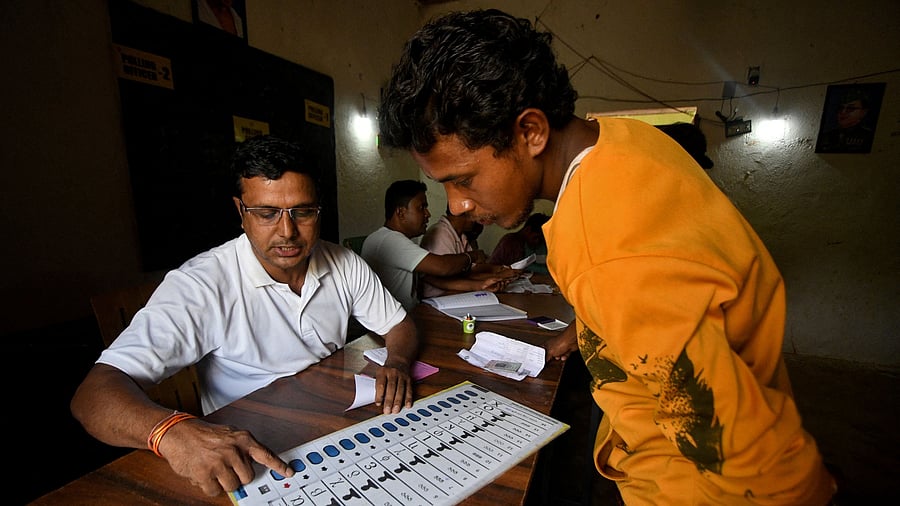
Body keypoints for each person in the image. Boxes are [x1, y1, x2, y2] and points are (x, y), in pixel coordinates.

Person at [377, 9, 836, 504]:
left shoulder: (607, 246)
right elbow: (667, 293)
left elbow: (743, 454)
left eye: (463, 178)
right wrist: (593, 325)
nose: (458, 204)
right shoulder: (624, 141)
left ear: (530, 131)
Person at [70, 135, 418, 497]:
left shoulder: (344, 263)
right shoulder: (203, 284)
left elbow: (399, 324)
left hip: (329, 424)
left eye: (302, 212)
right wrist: (170, 431)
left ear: (319, 210)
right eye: (267, 213)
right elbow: (92, 396)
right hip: (243, 454)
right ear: (240, 212)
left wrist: (397, 360)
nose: (287, 232)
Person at [361, 180, 517, 310]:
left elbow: (431, 277)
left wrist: (481, 285)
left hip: (408, 316)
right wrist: (473, 256)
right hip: (394, 324)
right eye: (421, 207)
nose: (428, 214)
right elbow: (442, 267)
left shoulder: (392, 239)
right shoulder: (389, 240)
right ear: (401, 213)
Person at [419, 206, 518, 298]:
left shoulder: (461, 236)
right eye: (476, 215)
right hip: (438, 298)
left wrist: (497, 271)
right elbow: (453, 278)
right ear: (464, 213)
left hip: (454, 294)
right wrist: (496, 276)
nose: (478, 220)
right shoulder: (440, 234)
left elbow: (472, 269)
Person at [815, 87, 876, 153]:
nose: (843, 112)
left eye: (851, 108)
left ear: (863, 112)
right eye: (841, 108)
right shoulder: (826, 136)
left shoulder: (868, 136)